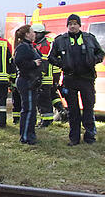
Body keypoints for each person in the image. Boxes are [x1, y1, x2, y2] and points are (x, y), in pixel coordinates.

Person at [48, 14, 105, 145]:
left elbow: (100, 53)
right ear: (67, 26)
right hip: (69, 79)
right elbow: (51, 57)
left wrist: (93, 61)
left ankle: (90, 137)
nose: (72, 26)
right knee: (73, 111)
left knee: (88, 108)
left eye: (75, 24)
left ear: (79, 25)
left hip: (87, 79)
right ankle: (74, 138)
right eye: (70, 24)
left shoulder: (89, 38)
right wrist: (62, 64)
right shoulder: (60, 40)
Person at [13, 24, 43, 145]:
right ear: (27, 34)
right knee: (28, 110)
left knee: (31, 110)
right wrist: (34, 64)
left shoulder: (30, 46)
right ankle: (25, 137)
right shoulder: (23, 47)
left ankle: (30, 135)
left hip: (31, 81)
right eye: (32, 32)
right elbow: (18, 62)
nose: (34, 34)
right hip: (26, 82)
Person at [31, 23, 59, 128]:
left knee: (44, 99)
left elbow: (44, 63)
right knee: (43, 99)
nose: (33, 36)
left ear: (40, 34)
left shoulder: (44, 45)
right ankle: (45, 119)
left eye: (34, 34)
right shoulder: (40, 43)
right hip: (45, 77)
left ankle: (47, 121)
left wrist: (40, 75)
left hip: (45, 77)